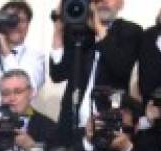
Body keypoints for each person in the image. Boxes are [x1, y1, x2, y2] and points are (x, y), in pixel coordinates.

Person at [48, 0, 143, 143]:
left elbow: (120, 68)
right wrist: (58, 30)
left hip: (107, 123)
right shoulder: (78, 30)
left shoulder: (130, 31)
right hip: (71, 124)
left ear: (121, 4)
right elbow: (58, 74)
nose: (103, 2)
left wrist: (99, 28)